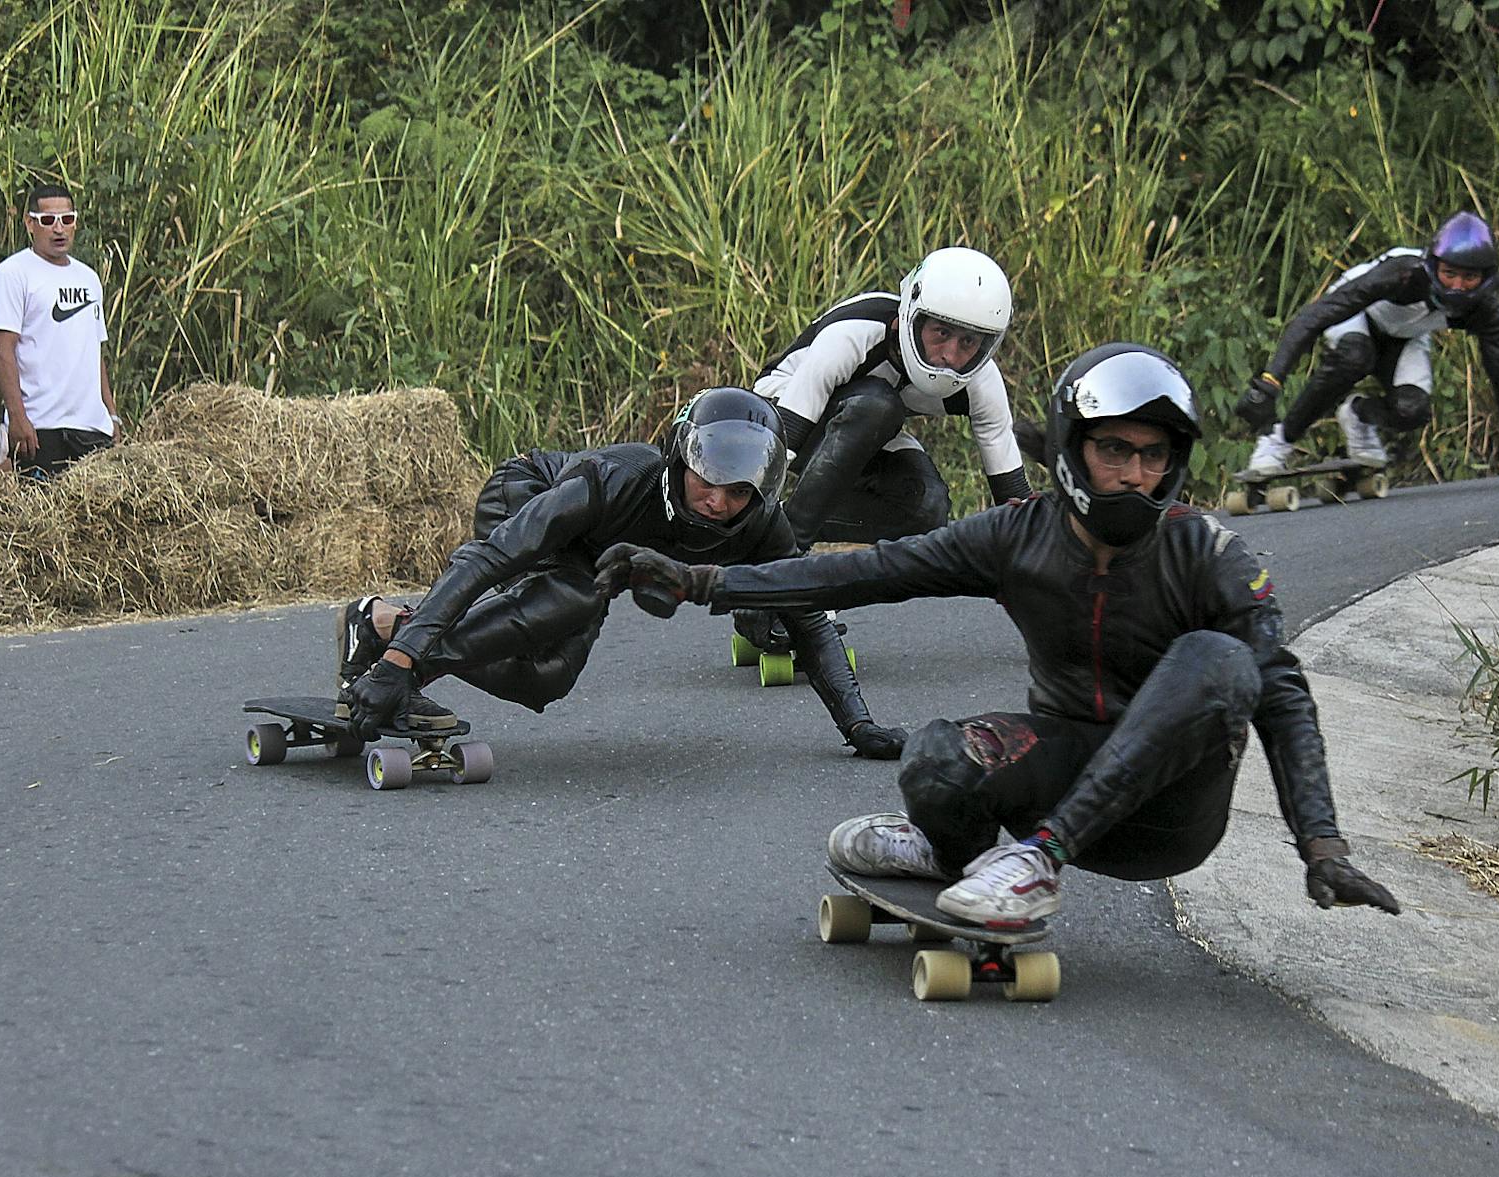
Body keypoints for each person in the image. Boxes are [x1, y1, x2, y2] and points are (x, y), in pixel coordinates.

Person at [594, 344, 1399, 924]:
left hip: (1168, 811)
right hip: (1063, 762)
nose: (1134, 473)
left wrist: (1320, 843)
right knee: (938, 759)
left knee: (1220, 659)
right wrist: (703, 580)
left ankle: (1035, 863)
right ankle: (950, 850)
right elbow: (867, 573)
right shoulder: (1020, 535)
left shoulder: (1208, 552)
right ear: (1076, 451)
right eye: (1114, 449)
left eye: (1154, 456)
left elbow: (1283, 693)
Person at [338, 387, 907, 761]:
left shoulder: (762, 525)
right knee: (578, 594)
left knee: (547, 679)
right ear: (679, 459)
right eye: (705, 479)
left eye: (737, 491)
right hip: (527, 495)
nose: (715, 501)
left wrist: (857, 725)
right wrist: (401, 665)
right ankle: (398, 662)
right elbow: (486, 559)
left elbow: (809, 615)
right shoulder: (614, 478)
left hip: (592, 561)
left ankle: (380, 626)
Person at [737, 245, 1028, 650]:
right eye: (940, 333)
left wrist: (1047, 593)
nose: (949, 356)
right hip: (782, 410)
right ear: (910, 316)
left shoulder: (980, 383)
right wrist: (760, 564)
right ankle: (787, 571)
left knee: (926, 507)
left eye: (969, 343)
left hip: (864, 432)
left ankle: (784, 543)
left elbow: (1014, 500)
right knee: (879, 406)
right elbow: (783, 440)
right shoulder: (855, 334)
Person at [1235, 211, 1499, 485]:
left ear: (1486, 278)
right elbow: (1313, 318)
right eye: (1449, 273)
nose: (1456, 286)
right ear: (1432, 266)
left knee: (1413, 410)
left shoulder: (1486, 310)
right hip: (1359, 319)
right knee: (1355, 356)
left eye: (1468, 277)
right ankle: (1279, 441)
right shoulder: (1402, 274)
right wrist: (1270, 381)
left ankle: (1358, 416)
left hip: (1406, 337)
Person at [0, 183, 119, 478]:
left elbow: (95, 351)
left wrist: (111, 413)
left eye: (66, 219)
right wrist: (17, 419)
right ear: (30, 223)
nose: (59, 229)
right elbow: (2, 351)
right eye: (48, 221)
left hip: (91, 427)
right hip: (40, 425)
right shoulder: (11, 275)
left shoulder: (89, 278)